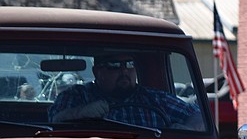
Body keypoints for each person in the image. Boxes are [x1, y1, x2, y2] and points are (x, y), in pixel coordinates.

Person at [50, 54, 202, 130]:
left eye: (129, 64)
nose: (124, 71)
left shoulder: (155, 99)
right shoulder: (78, 96)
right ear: (98, 72)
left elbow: (197, 116)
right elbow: (53, 122)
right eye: (114, 65)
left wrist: (187, 129)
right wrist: (81, 113)